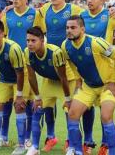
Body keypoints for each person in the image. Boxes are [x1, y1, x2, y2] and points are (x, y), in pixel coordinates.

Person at [62, 15, 115, 155]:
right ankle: (77, 151)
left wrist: (113, 81)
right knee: (72, 114)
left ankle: (111, 152)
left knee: (106, 116)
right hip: (88, 87)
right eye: (67, 28)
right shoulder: (65, 46)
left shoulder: (96, 43)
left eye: (73, 27)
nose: (69, 30)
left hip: (106, 86)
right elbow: (70, 62)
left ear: (82, 29)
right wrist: (78, 79)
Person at [0, 0, 43, 149]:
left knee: (27, 102)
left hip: (27, 64)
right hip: (9, 62)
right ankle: (3, 137)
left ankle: (27, 138)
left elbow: (40, 37)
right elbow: (2, 35)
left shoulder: (35, 14)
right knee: (6, 101)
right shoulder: (7, 14)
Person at [24, 27, 78, 155]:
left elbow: (63, 77)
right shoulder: (27, 52)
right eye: (28, 40)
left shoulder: (55, 52)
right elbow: (31, 76)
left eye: (33, 40)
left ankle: (71, 146)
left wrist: (68, 99)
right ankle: (35, 147)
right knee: (37, 110)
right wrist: (37, 97)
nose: (30, 44)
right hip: (50, 81)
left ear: (42, 41)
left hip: (67, 82)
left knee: (69, 113)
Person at [0, 19, 30, 155]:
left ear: (2, 34)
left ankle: (21, 144)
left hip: (20, 79)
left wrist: (19, 96)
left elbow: (20, 73)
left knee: (19, 108)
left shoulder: (13, 48)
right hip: (3, 79)